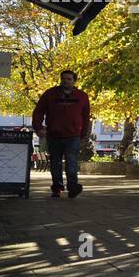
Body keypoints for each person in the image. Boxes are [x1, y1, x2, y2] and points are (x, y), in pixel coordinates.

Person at [32, 70, 91, 198]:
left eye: (69, 79)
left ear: (74, 81)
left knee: (71, 162)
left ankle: (72, 187)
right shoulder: (50, 94)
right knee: (55, 163)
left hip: (73, 135)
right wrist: (38, 127)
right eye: (63, 78)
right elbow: (38, 111)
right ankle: (57, 188)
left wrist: (83, 133)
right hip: (54, 135)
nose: (66, 81)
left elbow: (86, 116)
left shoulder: (82, 96)